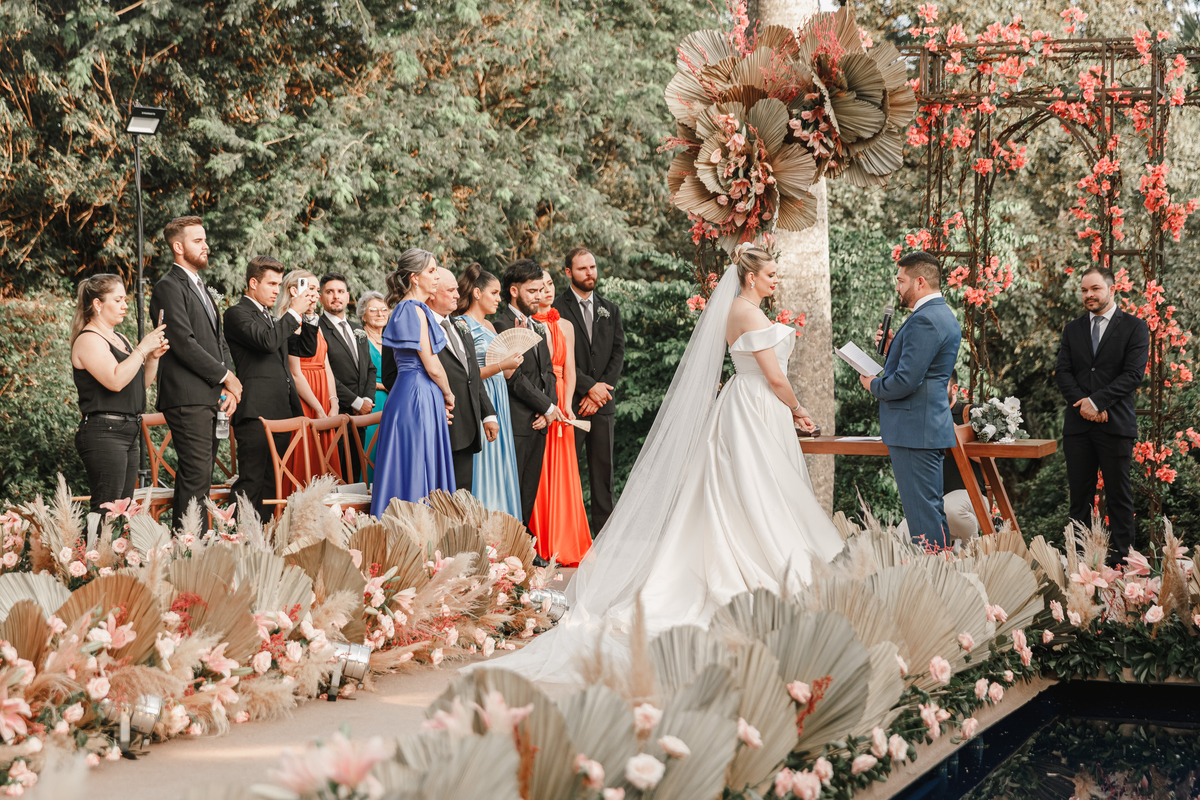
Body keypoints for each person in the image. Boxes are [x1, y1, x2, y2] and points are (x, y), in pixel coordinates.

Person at [466, 243, 844, 688]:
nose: (775, 280)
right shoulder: (748, 313)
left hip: (744, 405)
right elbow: (775, 376)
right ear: (750, 277)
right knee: (759, 486)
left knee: (742, 487)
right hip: (757, 405)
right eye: (771, 274)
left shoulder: (736, 310)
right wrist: (798, 409)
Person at [148, 216, 242, 531]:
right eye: (198, 241)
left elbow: (219, 341)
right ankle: (189, 547)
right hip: (186, 396)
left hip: (210, 395)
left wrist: (229, 384)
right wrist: (226, 377)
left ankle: (191, 545)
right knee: (196, 475)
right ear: (178, 247)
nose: (206, 246)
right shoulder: (167, 287)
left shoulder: (202, 288)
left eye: (205, 240)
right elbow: (182, 343)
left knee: (201, 475)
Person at [866, 251, 962, 549]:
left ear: (920, 282)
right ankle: (941, 567)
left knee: (923, 515)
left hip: (915, 429)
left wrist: (873, 384)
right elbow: (924, 367)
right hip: (924, 426)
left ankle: (935, 572)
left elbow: (906, 382)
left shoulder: (925, 320)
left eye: (901, 280)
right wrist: (894, 346)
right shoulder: (940, 315)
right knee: (928, 511)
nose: (897, 287)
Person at [1055, 265, 1149, 564]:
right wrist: (1083, 404)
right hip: (1078, 427)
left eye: (1095, 288)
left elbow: (1133, 375)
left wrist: (1096, 403)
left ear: (1112, 289)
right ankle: (1080, 561)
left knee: (1119, 497)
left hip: (1115, 424)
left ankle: (1122, 563)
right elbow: (1063, 372)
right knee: (1079, 499)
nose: (1089, 295)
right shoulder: (1073, 329)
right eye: (1084, 290)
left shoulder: (1135, 327)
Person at [223, 256, 319, 521]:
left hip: (281, 409)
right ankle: (234, 536)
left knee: (270, 484)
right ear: (253, 283)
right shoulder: (237, 313)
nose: (278, 290)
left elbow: (304, 349)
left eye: (279, 284)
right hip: (255, 411)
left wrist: (309, 315)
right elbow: (266, 342)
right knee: (251, 482)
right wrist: (294, 312)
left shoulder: (271, 317)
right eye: (272, 284)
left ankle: (263, 538)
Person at [71, 275, 170, 514]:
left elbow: (138, 385)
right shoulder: (88, 339)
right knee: (107, 509)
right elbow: (115, 381)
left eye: (125, 299)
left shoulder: (121, 339)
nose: (125, 305)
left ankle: (112, 541)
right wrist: (142, 349)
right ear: (97, 304)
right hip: (104, 432)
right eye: (118, 300)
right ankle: (95, 541)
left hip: (127, 430)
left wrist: (152, 357)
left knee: (122, 511)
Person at [369, 250, 456, 516]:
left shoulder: (407, 309)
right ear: (415, 277)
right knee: (418, 460)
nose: (437, 276)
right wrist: (448, 393)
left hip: (411, 392)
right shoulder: (413, 310)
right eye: (431, 271)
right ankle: (416, 526)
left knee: (414, 461)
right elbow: (433, 366)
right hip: (417, 393)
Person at [552, 247, 625, 534]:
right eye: (582, 268)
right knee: (566, 472)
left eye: (592, 267)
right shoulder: (556, 310)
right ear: (568, 272)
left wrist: (601, 393)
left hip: (602, 404)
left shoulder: (611, 309)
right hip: (571, 404)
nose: (590, 273)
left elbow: (618, 353)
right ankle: (567, 535)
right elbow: (559, 357)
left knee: (603, 474)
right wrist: (589, 388)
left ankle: (604, 537)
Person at [493, 259, 562, 524]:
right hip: (516, 422)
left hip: (540, 422)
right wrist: (547, 406)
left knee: (529, 494)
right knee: (512, 493)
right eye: (532, 291)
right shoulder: (501, 325)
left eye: (540, 290)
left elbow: (548, 372)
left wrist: (549, 410)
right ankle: (509, 543)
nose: (539, 296)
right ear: (514, 290)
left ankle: (521, 543)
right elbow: (514, 378)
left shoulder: (537, 325)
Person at [530, 271, 592, 565]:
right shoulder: (527, 324)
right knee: (540, 469)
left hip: (562, 400)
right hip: (540, 398)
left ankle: (564, 540)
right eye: (540, 287)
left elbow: (570, 369)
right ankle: (541, 541)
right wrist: (547, 405)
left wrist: (566, 406)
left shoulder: (565, 325)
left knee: (565, 472)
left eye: (550, 284)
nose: (547, 290)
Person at [456, 264, 524, 519]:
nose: (498, 298)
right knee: (484, 463)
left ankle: (505, 525)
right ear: (477, 293)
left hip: (499, 398)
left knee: (501, 462)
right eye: (494, 293)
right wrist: (501, 365)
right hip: (479, 397)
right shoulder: (461, 324)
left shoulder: (491, 326)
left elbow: (505, 373)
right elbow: (466, 373)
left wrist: (514, 356)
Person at [424, 266, 498, 491]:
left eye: (457, 289)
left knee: (462, 497)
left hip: (467, 425)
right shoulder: (419, 326)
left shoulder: (459, 325)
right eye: (451, 290)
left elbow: (472, 374)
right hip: (436, 424)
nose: (458, 295)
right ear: (432, 293)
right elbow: (393, 376)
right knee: (436, 498)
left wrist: (488, 414)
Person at [896, 372, 986, 545]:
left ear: (954, 389)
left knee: (951, 510)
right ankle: (942, 558)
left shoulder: (971, 413)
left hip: (972, 496)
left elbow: (989, 459)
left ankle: (974, 553)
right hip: (934, 501)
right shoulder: (922, 418)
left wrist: (954, 431)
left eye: (939, 386)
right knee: (902, 534)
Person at [282, 270, 343, 483]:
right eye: (311, 289)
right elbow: (295, 373)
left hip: (324, 397)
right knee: (306, 455)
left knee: (326, 459)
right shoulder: (289, 324)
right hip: (306, 398)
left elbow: (326, 366)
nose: (316, 295)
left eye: (317, 290)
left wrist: (333, 402)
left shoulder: (314, 324)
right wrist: (318, 409)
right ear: (294, 291)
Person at [319, 272, 377, 481]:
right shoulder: (317, 329)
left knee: (356, 475)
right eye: (330, 292)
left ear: (347, 296)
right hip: (335, 414)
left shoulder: (357, 329)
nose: (336, 296)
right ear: (320, 297)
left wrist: (367, 400)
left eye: (340, 291)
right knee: (337, 476)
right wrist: (355, 402)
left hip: (360, 417)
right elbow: (324, 372)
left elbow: (370, 369)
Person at [358, 290, 390, 484]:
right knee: (370, 451)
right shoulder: (360, 341)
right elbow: (358, 375)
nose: (380, 314)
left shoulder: (390, 342)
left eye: (384, 310)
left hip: (392, 402)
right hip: (372, 400)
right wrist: (383, 385)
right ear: (363, 316)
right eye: (374, 310)